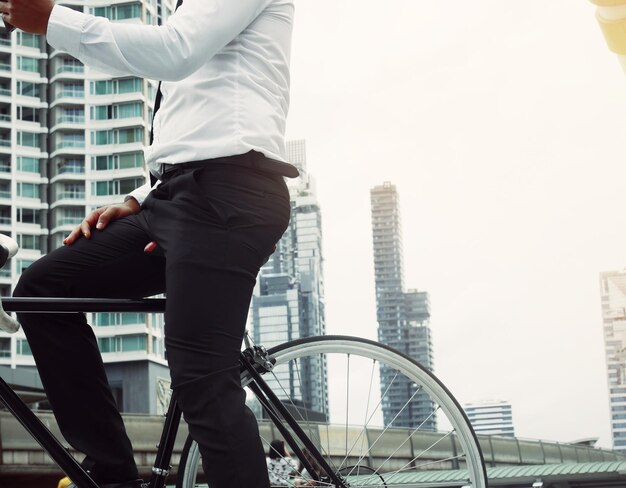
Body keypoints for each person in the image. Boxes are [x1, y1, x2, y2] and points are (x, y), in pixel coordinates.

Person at [2, 0, 297, 487]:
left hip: (227, 196)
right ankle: (113, 476)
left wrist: (53, 20)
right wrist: (141, 198)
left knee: (201, 377)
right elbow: (194, 123)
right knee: (42, 291)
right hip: (174, 198)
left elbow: (174, 51)